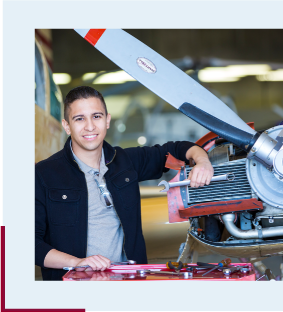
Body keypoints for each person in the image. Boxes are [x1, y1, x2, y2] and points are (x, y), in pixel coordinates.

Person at [34, 86, 215, 281]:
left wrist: (203, 161)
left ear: (107, 120)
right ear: (67, 125)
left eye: (96, 116)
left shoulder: (126, 161)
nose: (90, 126)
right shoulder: (43, 174)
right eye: (79, 119)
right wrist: (76, 263)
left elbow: (178, 149)